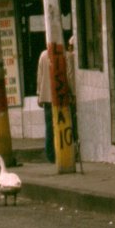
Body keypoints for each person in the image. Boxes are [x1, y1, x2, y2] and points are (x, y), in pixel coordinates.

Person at [37, 35, 76, 163]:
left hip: (47, 97)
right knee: (65, 124)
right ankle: (64, 152)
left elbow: (40, 75)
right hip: (62, 96)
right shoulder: (67, 56)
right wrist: (74, 94)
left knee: (49, 126)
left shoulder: (43, 55)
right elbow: (70, 77)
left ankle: (50, 154)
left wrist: (39, 94)